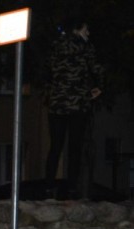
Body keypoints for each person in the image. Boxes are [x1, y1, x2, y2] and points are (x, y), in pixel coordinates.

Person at [44, 18, 104, 200]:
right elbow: (97, 69)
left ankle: (49, 186)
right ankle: (71, 188)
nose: (89, 33)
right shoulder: (86, 48)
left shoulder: (55, 45)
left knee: (55, 146)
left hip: (56, 104)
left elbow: (47, 70)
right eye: (86, 29)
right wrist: (99, 87)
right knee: (75, 147)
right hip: (78, 104)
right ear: (78, 30)